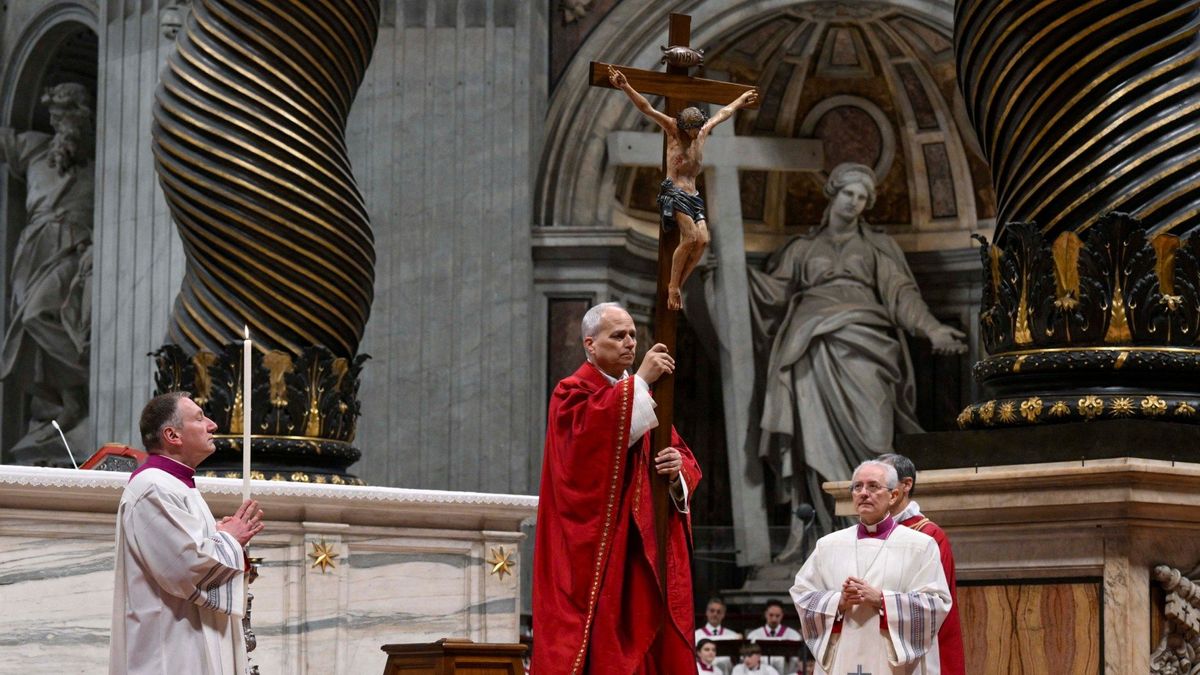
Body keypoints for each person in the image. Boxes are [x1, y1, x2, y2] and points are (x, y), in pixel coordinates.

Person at [748, 162, 967, 554]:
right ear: (833, 192)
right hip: (810, 348)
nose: (855, 202)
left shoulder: (876, 247)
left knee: (874, 437)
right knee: (814, 445)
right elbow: (771, 293)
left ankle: (877, 530)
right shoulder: (801, 249)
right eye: (849, 193)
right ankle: (821, 536)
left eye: (863, 197)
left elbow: (901, 295)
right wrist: (721, 270)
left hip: (866, 345)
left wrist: (932, 329)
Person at [533, 302, 702, 674]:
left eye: (633, 335)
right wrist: (639, 381)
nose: (629, 343)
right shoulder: (571, 393)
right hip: (599, 552)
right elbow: (583, 457)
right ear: (590, 345)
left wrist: (677, 473)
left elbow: (684, 459)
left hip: (642, 549)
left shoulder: (643, 398)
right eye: (618, 336)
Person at [110, 391, 265, 674]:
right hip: (171, 645)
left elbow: (185, 549)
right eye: (199, 418)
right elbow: (183, 567)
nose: (212, 425)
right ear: (173, 435)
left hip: (189, 635)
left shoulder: (176, 485)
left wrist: (220, 535)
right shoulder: (154, 487)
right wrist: (230, 539)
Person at [608, 65, 759, 311]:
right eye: (692, 128)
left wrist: (740, 101)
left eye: (698, 128)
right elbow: (647, 108)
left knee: (703, 242)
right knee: (689, 237)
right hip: (674, 192)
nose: (696, 132)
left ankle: (680, 282)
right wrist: (625, 86)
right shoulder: (673, 131)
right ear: (684, 125)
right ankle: (672, 286)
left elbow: (723, 113)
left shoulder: (701, 133)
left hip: (693, 195)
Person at [0, 82, 95, 461]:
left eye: (65, 115)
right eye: (54, 117)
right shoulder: (35, 148)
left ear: (81, 118)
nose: (59, 123)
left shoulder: (96, 159)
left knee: (39, 312)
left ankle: (81, 383)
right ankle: (62, 400)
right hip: (33, 247)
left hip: (72, 246)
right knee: (26, 322)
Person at [790, 460, 951, 674]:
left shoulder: (920, 545)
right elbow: (802, 595)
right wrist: (839, 601)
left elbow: (936, 604)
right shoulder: (828, 545)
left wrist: (882, 600)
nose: (863, 493)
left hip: (893, 663)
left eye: (873, 486)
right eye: (857, 487)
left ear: (893, 495)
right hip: (842, 653)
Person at [878, 453, 965, 675]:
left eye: (881, 482)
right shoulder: (866, 534)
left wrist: (880, 600)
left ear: (906, 485)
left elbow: (935, 603)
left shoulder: (928, 536)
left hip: (917, 649)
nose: (870, 492)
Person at [745, 599, 801, 674]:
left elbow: (798, 662)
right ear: (765, 614)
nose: (774, 619)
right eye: (771, 615)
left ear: (782, 615)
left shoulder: (794, 636)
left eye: (777, 616)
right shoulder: (754, 636)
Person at [695, 597, 741, 674]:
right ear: (706, 612)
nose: (715, 614)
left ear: (723, 614)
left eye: (719, 612)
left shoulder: (733, 636)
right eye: (712, 611)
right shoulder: (696, 635)